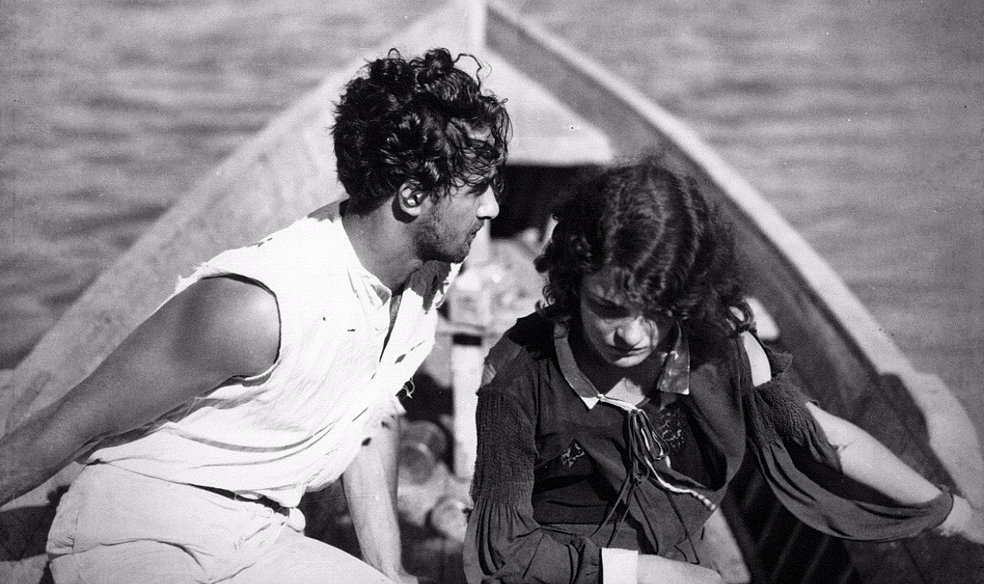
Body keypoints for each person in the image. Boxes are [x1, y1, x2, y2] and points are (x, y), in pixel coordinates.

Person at [0, 47, 510, 584]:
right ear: (411, 197)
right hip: (141, 531)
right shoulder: (263, 305)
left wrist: (389, 571)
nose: (492, 208)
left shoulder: (427, 271)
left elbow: (370, 411)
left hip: (262, 535)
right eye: (477, 189)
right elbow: (66, 428)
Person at [464, 157, 983, 584]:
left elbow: (821, 439)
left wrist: (952, 514)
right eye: (608, 308)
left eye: (657, 311)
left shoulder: (718, 348)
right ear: (572, 282)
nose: (633, 336)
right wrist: (647, 575)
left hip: (677, 559)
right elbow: (501, 550)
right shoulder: (518, 378)